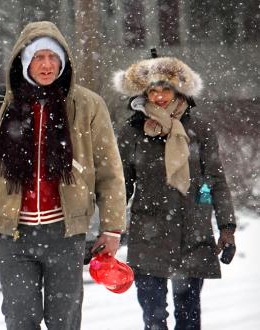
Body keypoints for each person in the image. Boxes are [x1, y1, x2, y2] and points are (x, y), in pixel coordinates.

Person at [0, 21, 126, 330]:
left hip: (66, 233)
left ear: (63, 61)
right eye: (38, 57)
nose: (46, 65)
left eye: (52, 57)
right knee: (20, 319)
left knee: (65, 322)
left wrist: (112, 228)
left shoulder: (87, 105)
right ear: (23, 61)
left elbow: (109, 170)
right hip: (14, 234)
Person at [113, 56, 236, 330]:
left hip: (192, 232)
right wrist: (110, 227)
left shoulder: (200, 130)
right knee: (154, 318)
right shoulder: (131, 132)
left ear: (179, 91)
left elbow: (216, 179)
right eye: (152, 91)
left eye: (165, 89)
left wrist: (227, 227)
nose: (158, 96)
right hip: (148, 232)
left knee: (189, 316)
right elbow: (120, 185)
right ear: (143, 93)